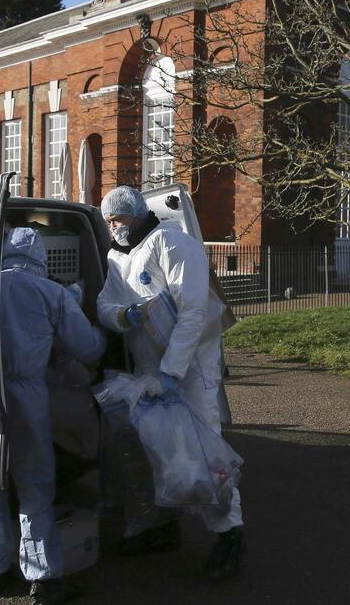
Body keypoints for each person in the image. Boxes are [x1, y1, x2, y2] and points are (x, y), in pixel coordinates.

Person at [96, 186, 245, 580]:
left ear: (137, 213)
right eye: (109, 220)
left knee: (204, 452)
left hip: (190, 369)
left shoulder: (172, 244)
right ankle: (163, 529)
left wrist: (172, 372)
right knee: (158, 453)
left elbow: (193, 313)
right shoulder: (116, 256)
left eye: (119, 219)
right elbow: (104, 305)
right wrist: (122, 316)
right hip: (149, 370)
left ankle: (230, 533)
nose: (114, 226)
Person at [0, 227, 105, 605]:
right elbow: (88, 348)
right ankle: (42, 578)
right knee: (35, 488)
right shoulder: (51, 293)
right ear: (40, 257)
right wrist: (91, 318)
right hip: (28, 397)